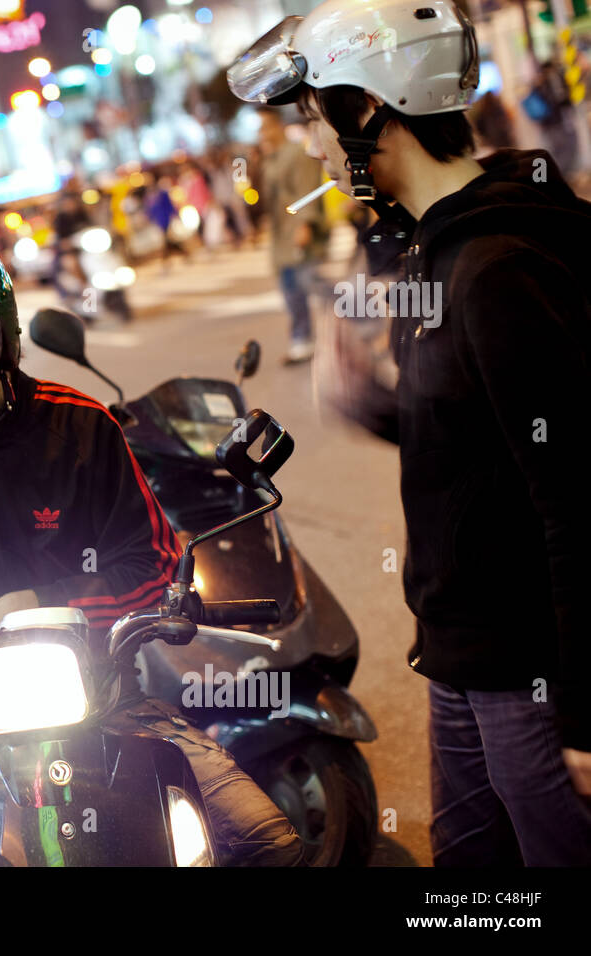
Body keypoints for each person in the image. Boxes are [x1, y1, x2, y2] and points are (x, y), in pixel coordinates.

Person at [0, 223, 303, 867]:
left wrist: (31, 599)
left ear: (0, 336)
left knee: (268, 844)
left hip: (106, 695)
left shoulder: (82, 425)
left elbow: (150, 564)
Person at [229, 0, 591, 865]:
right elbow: (481, 441)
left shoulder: (496, 269)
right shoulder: (428, 248)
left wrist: (585, 711)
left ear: (367, 111)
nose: (313, 147)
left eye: (315, 119)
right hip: (459, 657)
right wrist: (381, 407)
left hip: (527, 671)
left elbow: (575, 497)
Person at [256, 109, 330, 363]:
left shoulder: (297, 154)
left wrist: (305, 224)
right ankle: (302, 339)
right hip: (282, 238)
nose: (261, 133)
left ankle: (362, 321)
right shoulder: (270, 159)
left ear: (277, 126)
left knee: (314, 282)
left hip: (298, 232)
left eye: (265, 127)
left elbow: (306, 189)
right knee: (292, 289)